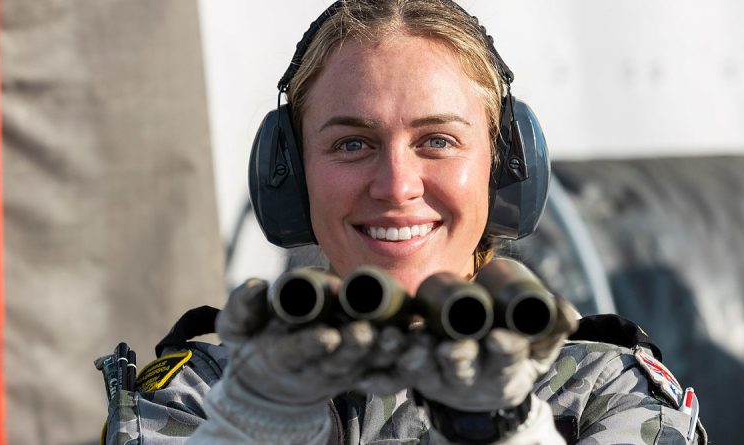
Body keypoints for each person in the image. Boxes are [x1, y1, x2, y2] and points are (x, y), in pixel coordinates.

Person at [98, 1, 707, 443]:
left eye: (437, 140)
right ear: (289, 174)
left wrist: (513, 433)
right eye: (351, 144)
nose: (395, 186)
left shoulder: (603, 392)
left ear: (503, 171)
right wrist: (249, 428)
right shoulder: (207, 397)